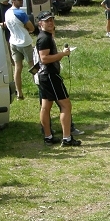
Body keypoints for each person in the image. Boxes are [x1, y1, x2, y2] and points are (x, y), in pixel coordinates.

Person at [35, 11, 82, 147]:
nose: (50, 22)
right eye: (46, 20)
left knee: (45, 106)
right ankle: (67, 138)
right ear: (40, 23)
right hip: (50, 75)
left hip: (44, 76)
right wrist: (62, 54)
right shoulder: (44, 38)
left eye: (51, 20)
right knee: (65, 105)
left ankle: (48, 137)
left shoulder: (45, 36)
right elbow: (44, 58)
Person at [5, 0, 34, 99]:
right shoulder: (20, 13)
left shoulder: (7, 12)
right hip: (24, 42)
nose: (21, 2)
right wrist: (27, 29)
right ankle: (41, 86)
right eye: (19, 1)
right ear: (13, 1)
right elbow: (31, 28)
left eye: (22, 0)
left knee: (18, 68)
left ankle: (19, 93)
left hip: (13, 41)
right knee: (33, 65)